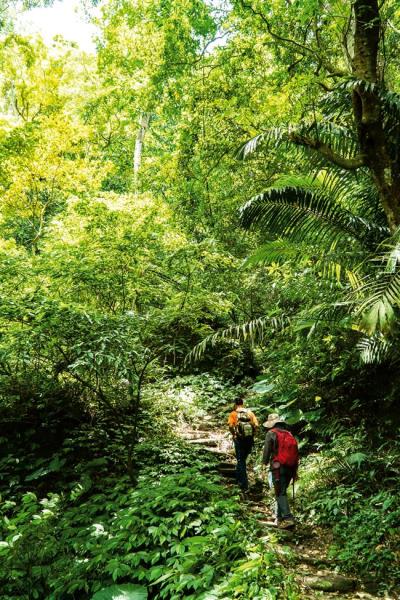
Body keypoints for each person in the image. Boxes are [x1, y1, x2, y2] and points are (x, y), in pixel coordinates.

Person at [261, 413, 298, 529]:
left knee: (280, 492)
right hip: (291, 468)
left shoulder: (271, 433)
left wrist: (264, 463)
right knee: (281, 491)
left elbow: (267, 451)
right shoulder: (289, 434)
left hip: (278, 467)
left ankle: (288, 518)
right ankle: (280, 517)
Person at [228, 397, 259, 492]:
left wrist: (234, 435)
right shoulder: (250, 413)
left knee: (241, 461)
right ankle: (238, 479)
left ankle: (244, 484)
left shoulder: (233, 414)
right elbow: (256, 425)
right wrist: (252, 435)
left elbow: (230, 426)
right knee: (242, 460)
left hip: (239, 440)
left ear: (235, 404)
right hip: (249, 440)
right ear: (242, 403)